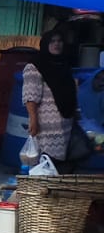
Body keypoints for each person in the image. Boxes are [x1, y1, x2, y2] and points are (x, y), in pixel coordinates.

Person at [24, 30, 79, 169]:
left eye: (59, 41)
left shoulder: (63, 64)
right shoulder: (35, 66)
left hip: (65, 124)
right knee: (46, 162)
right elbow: (31, 96)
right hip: (46, 125)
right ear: (45, 44)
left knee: (61, 164)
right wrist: (33, 120)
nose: (57, 44)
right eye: (52, 41)